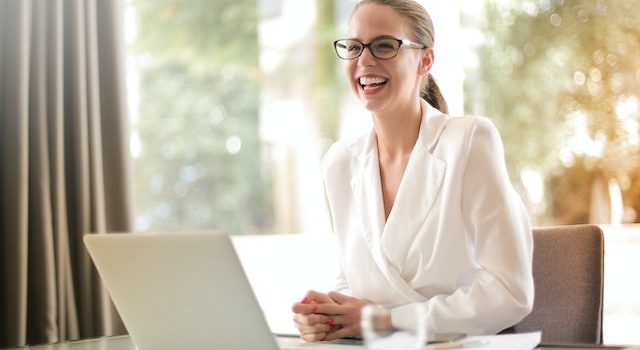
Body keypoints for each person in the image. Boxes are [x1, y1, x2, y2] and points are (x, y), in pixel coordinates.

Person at [291, 0, 534, 342]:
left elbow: (510, 293)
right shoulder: (340, 162)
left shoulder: (469, 141)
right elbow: (353, 279)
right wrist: (328, 316)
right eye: (354, 46)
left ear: (425, 60)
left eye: (384, 45)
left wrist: (385, 319)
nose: (364, 60)